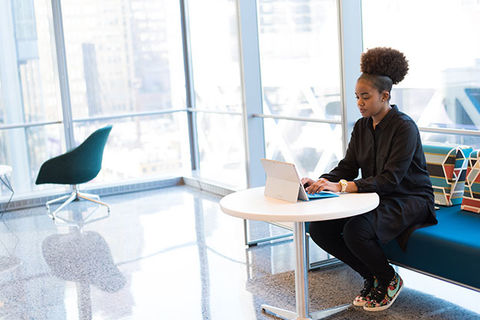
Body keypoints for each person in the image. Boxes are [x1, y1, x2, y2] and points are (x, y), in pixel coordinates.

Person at [301, 47, 437, 312]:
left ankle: (389, 279)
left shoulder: (404, 127)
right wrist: (320, 181)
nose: (360, 103)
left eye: (365, 97)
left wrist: (343, 187)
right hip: (376, 196)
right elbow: (349, 166)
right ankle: (372, 277)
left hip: (410, 198)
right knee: (320, 228)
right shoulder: (362, 126)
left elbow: (392, 179)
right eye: (357, 97)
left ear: (385, 96)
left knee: (356, 230)